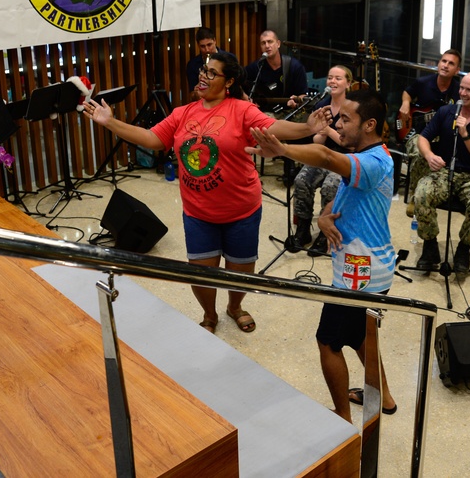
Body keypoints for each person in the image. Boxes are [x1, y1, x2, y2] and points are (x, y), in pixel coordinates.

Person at [84, 51, 330, 333]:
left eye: (212, 72)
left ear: (229, 82)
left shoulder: (241, 109)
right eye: (204, 70)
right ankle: (209, 312)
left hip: (241, 210)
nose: (203, 75)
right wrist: (111, 123)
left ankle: (235, 306)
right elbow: (153, 138)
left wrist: (307, 127)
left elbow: (274, 127)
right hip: (199, 213)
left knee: (240, 271)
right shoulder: (182, 113)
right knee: (200, 273)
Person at [247, 88, 398, 422]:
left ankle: (341, 418)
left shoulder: (370, 161)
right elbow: (345, 195)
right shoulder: (371, 155)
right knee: (361, 337)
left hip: (360, 270)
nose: (338, 125)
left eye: (346, 118)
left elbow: (328, 158)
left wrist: (283, 149)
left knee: (328, 342)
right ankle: (384, 398)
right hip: (375, 266)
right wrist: (323, 215)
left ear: (369, 124)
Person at [412, 71, 470, 273]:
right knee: (422, 193)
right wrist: (429, 156)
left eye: (469, 90)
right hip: (444, 171)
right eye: (462, 88)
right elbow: (423, 138)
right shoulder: (445, 111)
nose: (463, 93)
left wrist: (465, 134)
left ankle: (463, 249)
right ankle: (430, 246)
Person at [286, 65, 353, 254]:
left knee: (330, 186)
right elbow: (316, 140)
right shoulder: (321, 105)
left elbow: (352, 144)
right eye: (330, 78)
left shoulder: (353, 108)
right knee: (301, 180)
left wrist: (329, 130)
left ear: (348, 83)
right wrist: (321, 132)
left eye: (338, 78)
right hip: (323, 154)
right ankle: (303, 230)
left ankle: (326, 234)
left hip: (345, 158)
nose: (332, 82)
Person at [398, 49, 462, 216]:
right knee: (420, 153)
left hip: (444, 135)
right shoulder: (423, 82)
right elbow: (407, 92)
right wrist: (406, 103)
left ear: (457, 70)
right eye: (444, 61)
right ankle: (414, 196)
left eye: (451, 63)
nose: (446, 66)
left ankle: (435, 192)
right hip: (419, 133)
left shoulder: (459, 91)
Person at [244, 30, 309, 110]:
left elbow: (303, 95)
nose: (267, 46)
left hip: (289, 112)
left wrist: (296, 102)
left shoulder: (294, 66)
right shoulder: (256, 67)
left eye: (270, 42)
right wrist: (248, 100)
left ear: (278, 44)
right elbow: (239, 86)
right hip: (264, 113)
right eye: (263, 43)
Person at [185, 27, 227, 99]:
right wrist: (197, 92)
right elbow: (192, 94)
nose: (207, 50)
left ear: (214, 41)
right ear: (198, 45)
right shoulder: (192, 64)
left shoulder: (229, 59)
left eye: (209, 45)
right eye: (202, 46)